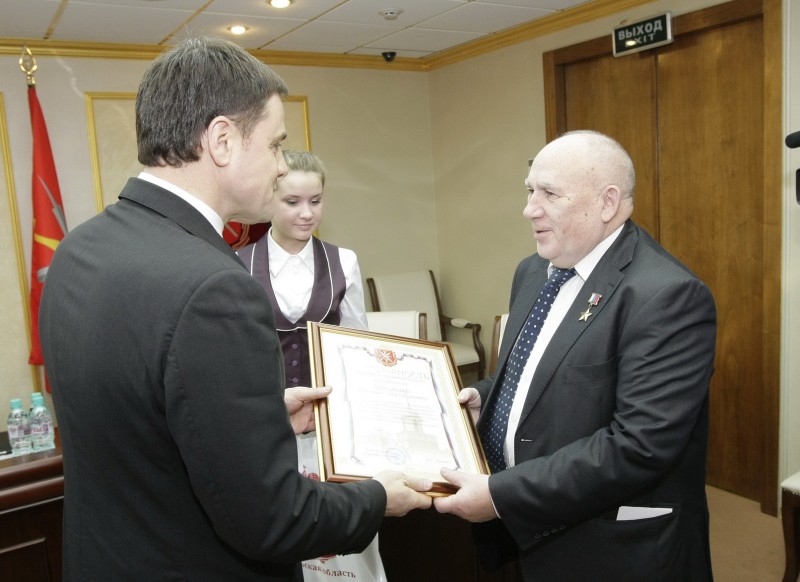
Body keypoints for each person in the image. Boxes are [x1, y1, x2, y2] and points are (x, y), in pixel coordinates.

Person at [38, 36, 431, 582]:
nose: (280, 166)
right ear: (222, 140)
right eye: (275, 145)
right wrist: (378, 497)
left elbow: (141, 422)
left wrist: (256, 417)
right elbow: (274, 520)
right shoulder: (216, 288)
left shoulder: (79, 249)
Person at [434, 130, 717, 581]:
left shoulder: (667, 295)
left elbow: (638, 446)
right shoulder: (533, 270)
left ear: (607, 202)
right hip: (529, 535)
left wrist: (503, 496)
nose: (529, 209)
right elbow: (538, 369)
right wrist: (487, 396)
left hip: (613, 549)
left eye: (549, 193)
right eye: (529, 190)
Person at [237, 149, 369, 389]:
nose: (307, 213)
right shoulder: (238, 263)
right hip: (264, 403)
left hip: (328, 401)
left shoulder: (344, 261)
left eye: (315, 201)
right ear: (269, 198)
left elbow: (357, 345)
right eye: (292, 202)